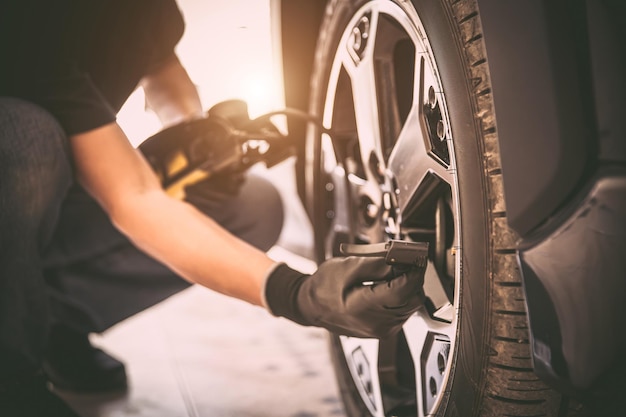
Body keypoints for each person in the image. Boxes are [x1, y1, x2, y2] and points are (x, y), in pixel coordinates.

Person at [0, 1, 426, 416]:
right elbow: (132, 197)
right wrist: (297, 294)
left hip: (43, 211)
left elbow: (162, 71)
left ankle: (49, 323)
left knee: (253, 205)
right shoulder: (41, 16)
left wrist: (196, 133)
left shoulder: (150, 11)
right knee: (22, 140)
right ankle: (13, 375)